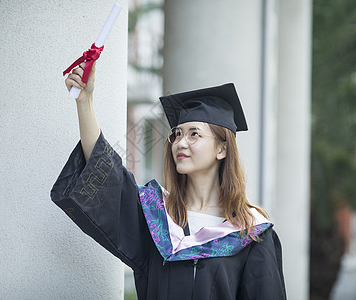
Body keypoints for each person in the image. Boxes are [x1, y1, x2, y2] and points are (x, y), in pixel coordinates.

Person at [51, 61, 287, 299]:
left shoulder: (251, 234)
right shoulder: (157, 218)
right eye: (177, 134)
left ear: (222, 149)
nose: (180, 143)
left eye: (194, 134)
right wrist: (85, 102)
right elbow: (107, 177)